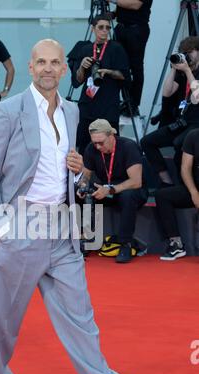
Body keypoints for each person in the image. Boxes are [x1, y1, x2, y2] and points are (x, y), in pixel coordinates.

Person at [0, 38, 154, 374]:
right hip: (22, 223)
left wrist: (74, 173)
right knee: (4, 316)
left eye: (55, 62)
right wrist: (0, 225)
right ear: (29, 66)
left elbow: (60, 168)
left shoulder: (71, 112)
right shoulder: (7, 111)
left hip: (62, 225)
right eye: (41, 61)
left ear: (63, 68)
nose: (48, 68)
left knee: (79, 313)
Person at [77, 118, 147, 263]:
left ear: (111, 136)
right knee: (77, 191)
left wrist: (110, 190)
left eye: (101, 142)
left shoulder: (128, 146)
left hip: (130, 189)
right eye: (95, 142)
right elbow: (86, 175)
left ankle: (125, 244)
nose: (97, 146)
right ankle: (84, 239)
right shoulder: (91, 148)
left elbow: (136, 181)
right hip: (106, 189)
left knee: (128, 196)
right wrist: (82, 185)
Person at [141, 36, 199, 187]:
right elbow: (167, 92)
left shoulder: (192, 73)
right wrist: (174, 69)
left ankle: (186, 186)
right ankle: (167, 182)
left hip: (196, 124)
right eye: (184, 52)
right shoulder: (182, 73)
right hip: (182, 122)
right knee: (147, 142)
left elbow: (197, 96)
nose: (187, 55)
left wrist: (187, 70)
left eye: (190, 51)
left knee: (179, 143)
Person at [70, 14, 130, 156]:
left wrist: (109, 72)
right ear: (93, 29)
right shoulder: (85, 49)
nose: (104, 30)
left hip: (108, 104)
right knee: (83, 144)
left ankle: (110, 174)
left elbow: (125, 76)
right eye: (101, 27)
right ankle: (82, 176)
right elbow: (77, 81)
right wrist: (82, 67)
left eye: (107, 27)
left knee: (111, 146)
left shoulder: (116, 48)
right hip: (87, 105)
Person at [155, 128, 199, 261]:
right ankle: (176, 244)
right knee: (162, 195)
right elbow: (185, 169)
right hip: (194, 189)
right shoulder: (194, 135)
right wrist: (194, 192)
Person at [106, 0, 152, 116]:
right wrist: (114, 14)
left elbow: (136, 4)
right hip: (121, 27)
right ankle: (125, 100)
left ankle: (133, 103)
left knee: (136, 67)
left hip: (136, 29)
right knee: (120, 66)